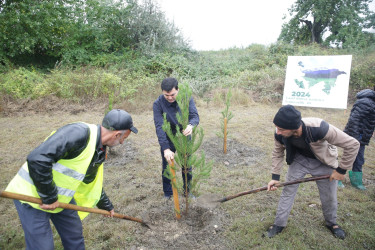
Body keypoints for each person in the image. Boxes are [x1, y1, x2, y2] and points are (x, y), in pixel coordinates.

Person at [5, 109, 138, 250]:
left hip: (61, 198)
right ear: (117, 134)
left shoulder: (99, 150)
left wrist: (106, 205)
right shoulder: (78, 133)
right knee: (42, 246)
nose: (122, 142)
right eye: (123, 138)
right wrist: (49, 196)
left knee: (74, 237)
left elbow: (90, 181)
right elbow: (37, 159)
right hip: (30, 195)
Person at [266, 105, 359, 240]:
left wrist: (341, 170)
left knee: (329, 196)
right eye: (276, 127)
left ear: (294, 128)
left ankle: (332, 223)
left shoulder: (319, 128)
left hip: (323, 161)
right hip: (299, 160)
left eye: (281, 129)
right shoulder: (279, 133)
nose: (277, 132)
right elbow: (277, 152)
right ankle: (279, 224)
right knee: (288, 191)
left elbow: (353, 144)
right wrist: (275, 176)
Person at [153, 77, 199, 199]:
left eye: (172, 94)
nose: (169, 97)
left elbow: (195, 116)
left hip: (184, 135)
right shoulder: (158, 104)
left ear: (178, 90)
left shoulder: (186, 98)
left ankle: (187, 191)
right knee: (167, 165)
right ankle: (168, 193)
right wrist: (165, 148)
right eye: (166, 95)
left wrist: (191, 125)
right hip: (169, 136)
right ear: (162, 92)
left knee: (186, 165)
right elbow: (159, 126)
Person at [342, 86, 375, 190]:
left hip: (362, 135)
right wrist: (355, 138)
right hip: (356, 135)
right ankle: (337, 179)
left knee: (359, 159)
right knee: (350, 157)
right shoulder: (366, 102)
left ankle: (356, 181)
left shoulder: (371, 102)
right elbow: (354, 120)